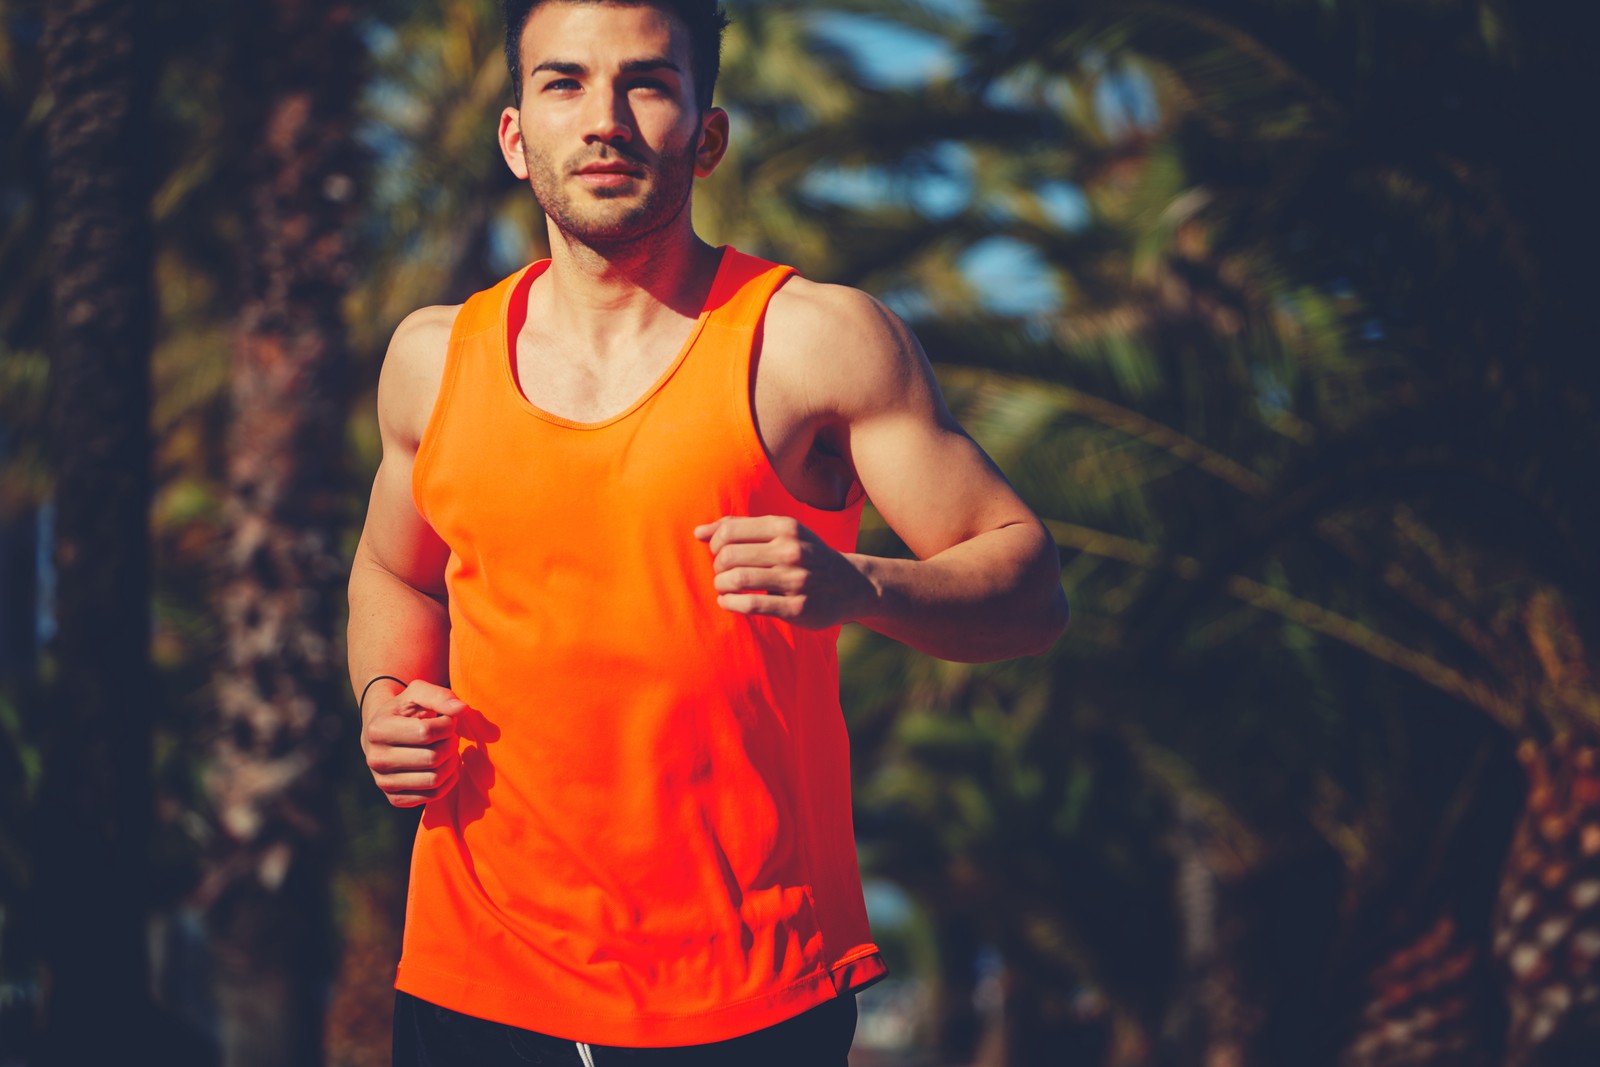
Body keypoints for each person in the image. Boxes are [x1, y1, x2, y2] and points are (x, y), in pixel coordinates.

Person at [346, 0, 1070, 1063]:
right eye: (563, 83)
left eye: (646, 82)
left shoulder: (811, 342)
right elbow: (391, 574)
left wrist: (860, 585)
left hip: (747, 986)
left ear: (707, 131)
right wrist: (384, 697)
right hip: (477, 970)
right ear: (514, 136)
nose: (604, 119)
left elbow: (1029, 584)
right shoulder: (430, 360)